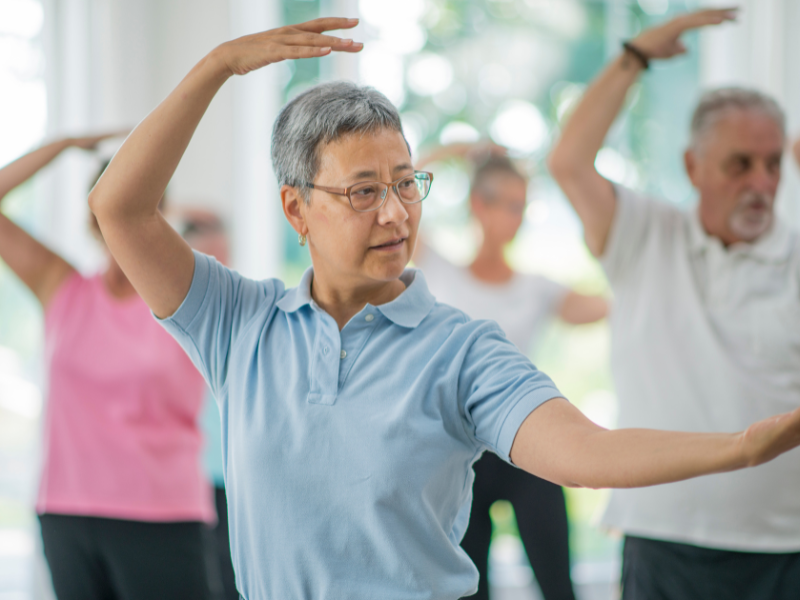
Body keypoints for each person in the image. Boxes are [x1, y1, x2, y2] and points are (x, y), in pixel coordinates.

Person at [87, 17, 800, 600]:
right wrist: (217, 65)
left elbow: (588, 451)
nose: (397, 213)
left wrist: (737, 448)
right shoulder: (238, 322)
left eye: (407, 183)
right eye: (363, 191)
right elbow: (119, 208)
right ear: (296, 209)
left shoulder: (461, 350)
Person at [548, 8, 800, 600]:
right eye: (740, 164)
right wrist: (634, 57)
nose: (761, 183)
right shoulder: (644, 235)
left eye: (773, 164)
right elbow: (568, 163)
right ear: (694, 166)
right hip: (664, 540)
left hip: (786, 546)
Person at [0, 137, 218, 600]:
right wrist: (61, 145)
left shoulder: (186, 295)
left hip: (161, 514)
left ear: (160, 214)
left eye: (139, 204)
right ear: (92, 216)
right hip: (66, 511)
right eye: (110, 205)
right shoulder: (62, 286)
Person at [415, 146, 606, 600]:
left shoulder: (536, 288)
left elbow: (604, 306)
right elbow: (402, 193)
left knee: (560, 586)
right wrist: (459, 151)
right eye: (508, 204)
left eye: (523, 206)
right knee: (468, 591)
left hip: (528, 448)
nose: (517, 217)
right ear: (478, 205)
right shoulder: (438, 271)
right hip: (460, 455)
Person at [177, 209, 239, 600]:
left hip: (231, 476)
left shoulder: (239, 309)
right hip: (191, 475)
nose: (219, 263)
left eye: (223, 253)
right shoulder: (173, 316)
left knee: (232, 579)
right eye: (208, 254)